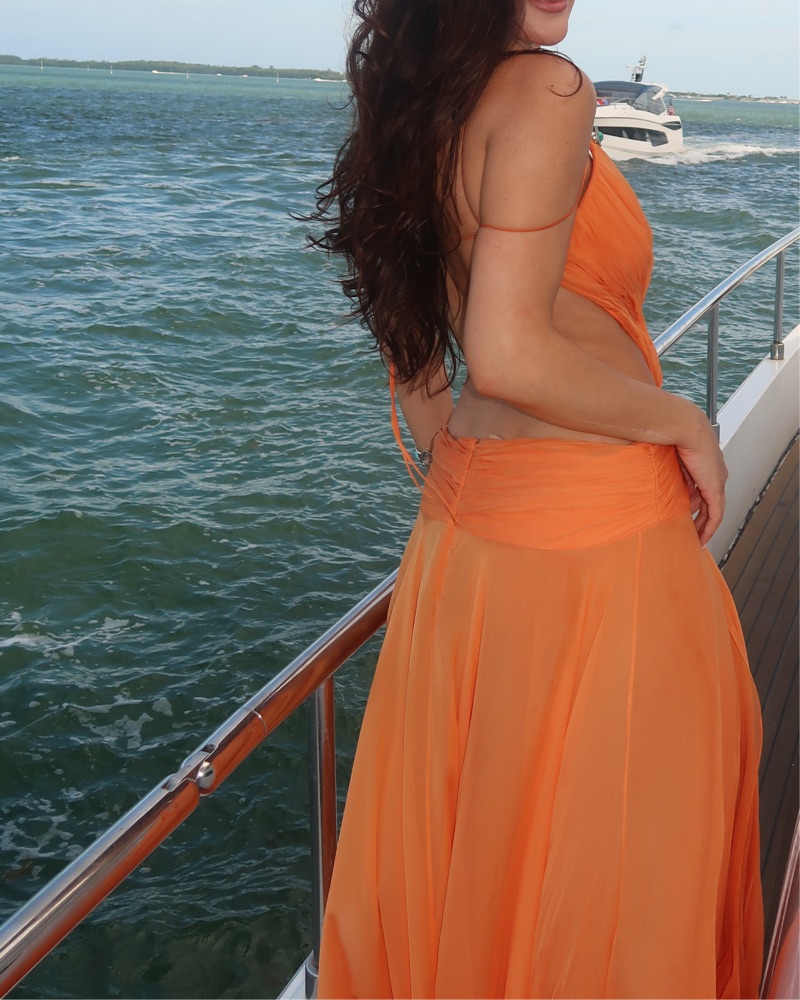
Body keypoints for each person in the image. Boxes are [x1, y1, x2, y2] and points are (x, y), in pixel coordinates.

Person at [309, 0, 764, 996]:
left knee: (486, 861)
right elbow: (510, 351)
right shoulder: (549, 90)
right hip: (596, 544)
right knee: (614, 888)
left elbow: (410, 341)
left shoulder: (423, 108)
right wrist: (681, 422)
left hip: (467, 542)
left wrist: (472, 473)